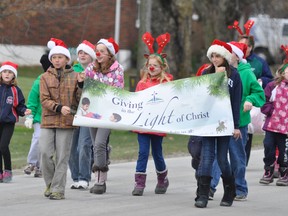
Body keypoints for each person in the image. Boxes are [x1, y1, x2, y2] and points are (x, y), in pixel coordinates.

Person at [210, 41, 265, 201]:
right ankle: (211, 187)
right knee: (216, 156)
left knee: (237, 157)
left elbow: (258, 92)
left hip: (238, 122)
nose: (224, 55)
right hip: (219, 122)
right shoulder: (215, 70)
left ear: (237, 56)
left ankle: (240, 188)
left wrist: (250, 99)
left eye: (229, 52)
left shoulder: (246, 73)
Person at [194, 39, 242, 208]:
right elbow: (202, 97)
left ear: (225, 57)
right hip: (209, 121)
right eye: (212, 56)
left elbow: (236, 102)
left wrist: (236, 126)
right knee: (206, 158)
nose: (214, 59)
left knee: (222, 158)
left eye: (218, 56)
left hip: (225, 122)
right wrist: (216, 75)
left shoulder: (234, 75)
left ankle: (230, 190)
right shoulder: (206, 73)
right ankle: (202, 194)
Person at [39, 38, 82, 200]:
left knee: (62, 156)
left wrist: (82, 85)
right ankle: (50, 183)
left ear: (66, 59)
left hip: (67, 122)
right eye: (54, 57)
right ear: (51, 60)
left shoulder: (76, 76)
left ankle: (58, 189)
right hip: (48, 120)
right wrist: (58, 107)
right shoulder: (44, 77)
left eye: (60, 57)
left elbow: (80, 100)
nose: (57, 60)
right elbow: (44, 99)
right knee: (44, 153)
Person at [81, 37, 124, 194]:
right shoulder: (91, 68)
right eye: (97, 50)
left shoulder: (118, 69)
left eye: (102, 51)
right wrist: (81, 82)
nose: (98, 53)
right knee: (96, 145)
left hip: (108, 113)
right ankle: (99, 179)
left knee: (99, 143)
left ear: (109, 54)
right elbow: (85, 88)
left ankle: (101, 182)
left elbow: (117, 91)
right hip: (92, 112)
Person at [131, 32, 173, 196]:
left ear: (162, 67)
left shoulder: (167, 83)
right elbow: (135, 102)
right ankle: (139, 184)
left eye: (155, 65)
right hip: (143, 124)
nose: (152, 67)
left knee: (157, 153)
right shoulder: (141, 84)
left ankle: (162, 179)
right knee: (142, 152)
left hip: (158, 124)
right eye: (149, 64)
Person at [228, 20, 273, 166]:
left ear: (251, 47)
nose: (243, 48)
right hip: (235, 106)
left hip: (251, 104)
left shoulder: (258, 62)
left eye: (245, 46)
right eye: (240, 45)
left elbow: (269, 78)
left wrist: (260, 80)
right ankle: (240, 165)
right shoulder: (228, 65)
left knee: (247, 131)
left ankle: (241, 165)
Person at [69, 40, 95, 190]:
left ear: (91, 56)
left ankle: (84, 178)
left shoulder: (96, 72)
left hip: (88, 114)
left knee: (84, 145)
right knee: (72, 147)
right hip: (73, 113)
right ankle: (75, 177)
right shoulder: (73, 72)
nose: (82, 55)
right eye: (80, 53)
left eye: (85, 53)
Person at [0, 61, 31, 183]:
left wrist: (24, 111)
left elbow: (20, 106)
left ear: (14, 76)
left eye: (10, 72)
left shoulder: (15, 90)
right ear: (1, 74)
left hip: (8, 122)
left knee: (3, 146)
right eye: (4, 71)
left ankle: (8, 170)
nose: (7, 74)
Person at [259, 60, 288, 186]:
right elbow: (263, 100)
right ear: (282, 73)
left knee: (284, 151)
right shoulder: (273, 86)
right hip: (272, 124)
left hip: (286, 127)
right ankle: (268, 170)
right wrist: (271, 111)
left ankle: (284, 172)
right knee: (269, 147)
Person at [23, 53, 52, 178]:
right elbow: (32, 101)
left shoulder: (60, 80)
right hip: (39, 118)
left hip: (52, 118)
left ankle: (40, 166)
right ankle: (31, 163)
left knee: (47, 143)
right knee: (38, 138)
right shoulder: (39, 81)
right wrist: (30, 116)